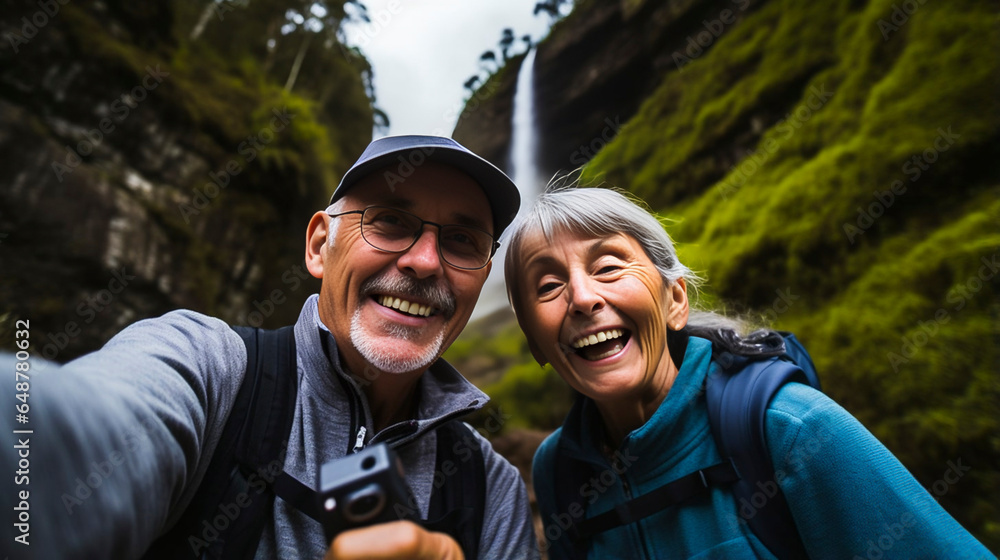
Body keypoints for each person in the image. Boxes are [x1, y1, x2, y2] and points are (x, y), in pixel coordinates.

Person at [1, 136, 538, 559]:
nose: (425, 262)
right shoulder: (208, 368)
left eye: (462, 240)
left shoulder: (492, 492)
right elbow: (76, 431)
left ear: (484, 274)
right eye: (390, 222)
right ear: (319, 246)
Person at [502, 187, 994, 559]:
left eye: (609, 266)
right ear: (535, 344)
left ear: (675, 301)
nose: (583, 298)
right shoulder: (558, 471)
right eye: (548, 286)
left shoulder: (791, 428)